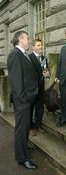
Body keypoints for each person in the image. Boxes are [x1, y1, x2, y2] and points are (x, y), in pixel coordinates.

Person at [7, 31, 38, 169]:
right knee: (21, 129)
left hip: (27, 99)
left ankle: (23, 148)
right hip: (22, 100)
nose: (29, 41)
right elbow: (16, 80)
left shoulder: (23, 54)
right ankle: (22, 158)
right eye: (28, 38)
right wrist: (24, 99)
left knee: (25, 128)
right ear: (20, 39)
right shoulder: (15, 54)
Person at [29, 39, 49, 135]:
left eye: (41, 45)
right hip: (31, 88)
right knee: (30, 108)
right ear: (33, 47)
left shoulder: (44, 58)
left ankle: (38, 124)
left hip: (41, 88)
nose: (40, 47)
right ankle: (31, 126)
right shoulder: (29, 58)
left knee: (40, 107)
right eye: (38, 45)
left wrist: (47, 73)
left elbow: (45, 71)